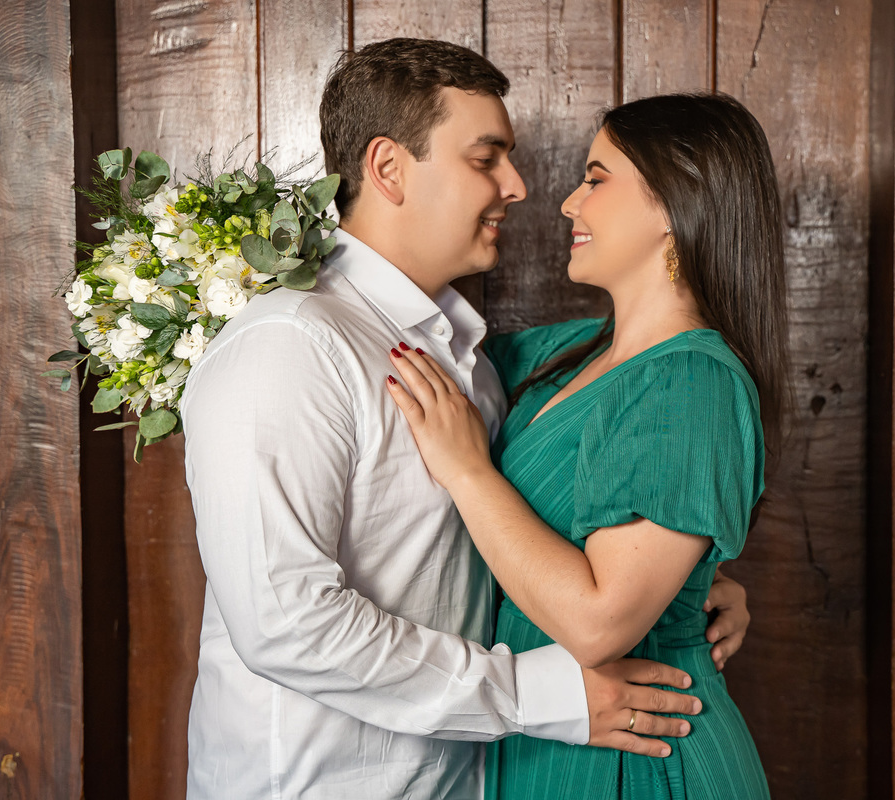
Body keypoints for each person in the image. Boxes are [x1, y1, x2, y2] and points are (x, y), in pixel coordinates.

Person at [180, 40, 752, 799]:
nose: (520, 187)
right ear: (387, 169)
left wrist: (685, 581)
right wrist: (534, 695)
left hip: (472, 774)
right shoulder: (290, 345)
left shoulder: (476, 363)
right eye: (487, 158)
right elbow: (286, 622)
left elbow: (605, 475)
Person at [386, 91, 786, 799]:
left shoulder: (693, 381)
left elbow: (600, 626)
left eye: (596, 179)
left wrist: (467, 472)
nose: (569, 203)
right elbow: (408, 340)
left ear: (674, 201)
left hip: (641, 753)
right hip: (551, 732)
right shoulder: (563, 355)